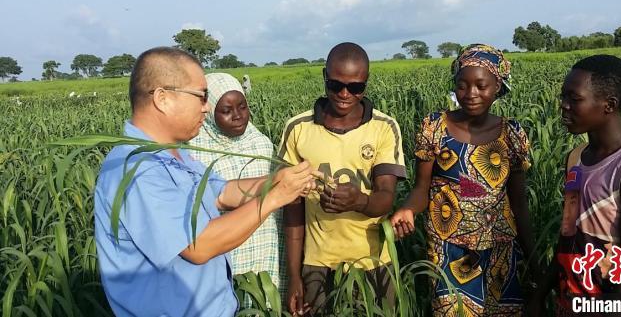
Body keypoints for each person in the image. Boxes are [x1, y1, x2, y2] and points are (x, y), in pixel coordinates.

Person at [93, 47, 316, 317]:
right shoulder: (137, 169)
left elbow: (222, 193)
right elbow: (199, 246)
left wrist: (276, 180)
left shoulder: (176, 152)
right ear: (163, 98)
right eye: (201, 96)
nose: (206, 106)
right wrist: (276, 197)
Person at [390, 44, 539, 316]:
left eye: (481, 86)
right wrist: (408, 209)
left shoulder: (511, 134)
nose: (470, 94)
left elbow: (519, 203)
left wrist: (534, 260)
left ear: (498, 86)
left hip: (500, 250)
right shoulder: (435, 128)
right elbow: (422, 188)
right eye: (462, 85)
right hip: (448, 249)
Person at [531, 55, 621, 316]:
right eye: (563, 97)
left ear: (609, 105)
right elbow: (568, 232)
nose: (563, 106)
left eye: (574, 98)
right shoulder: (575, 158)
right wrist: (539, 294)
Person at [281, 42, 407, 316]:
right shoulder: (298, 129)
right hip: (317, 265)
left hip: (374, 264)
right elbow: (292, 209)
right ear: (325, 77)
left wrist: (359, 201)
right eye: (336, 85)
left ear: (366, 84)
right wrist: (294, 275)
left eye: (356, 87)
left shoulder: (384, 128)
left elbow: (386, 198)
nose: (345, 94)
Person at [190, 72, 287, 302]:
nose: (238, 116)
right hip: (224, 249)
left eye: (242, 106)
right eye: (226, 110)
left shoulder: (260, 143)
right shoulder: (194, 152)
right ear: (210, 111)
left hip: (266, 245)